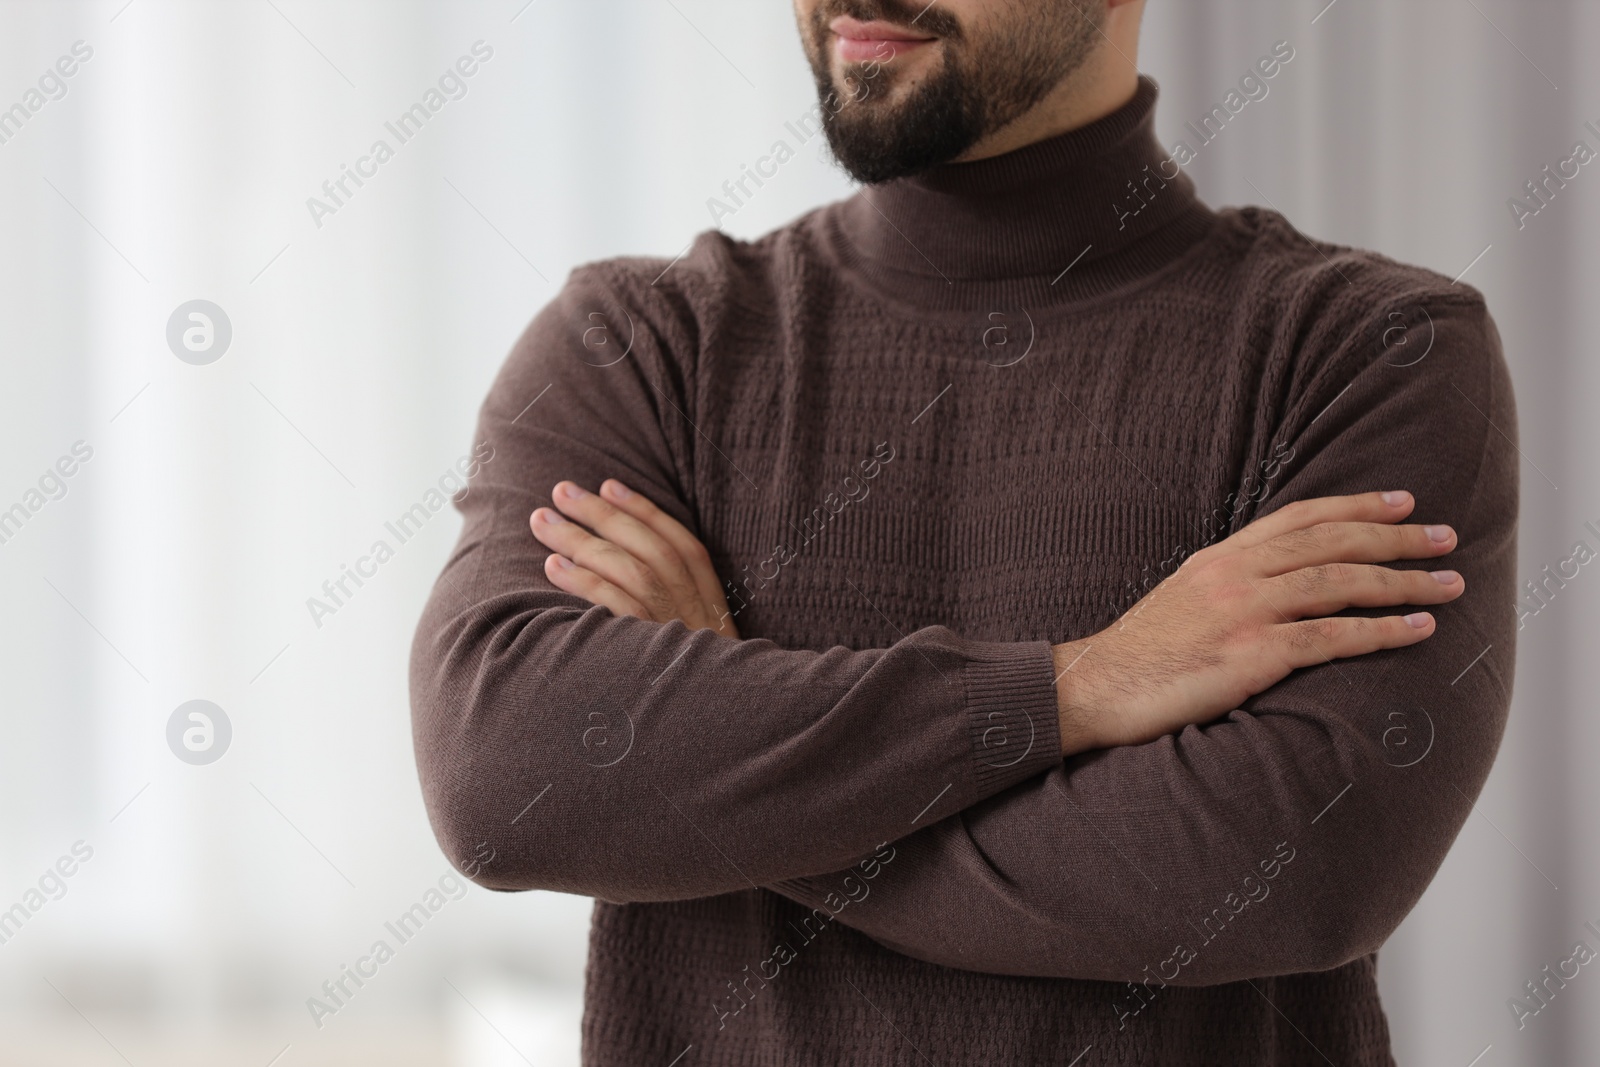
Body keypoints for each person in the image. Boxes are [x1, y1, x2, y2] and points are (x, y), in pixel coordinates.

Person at [409, 1, 1518, 1063]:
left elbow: (1291, 864)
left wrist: (727, 773)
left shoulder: (1369, 350)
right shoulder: (642, 344)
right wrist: (1074, 689)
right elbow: (503, 779)